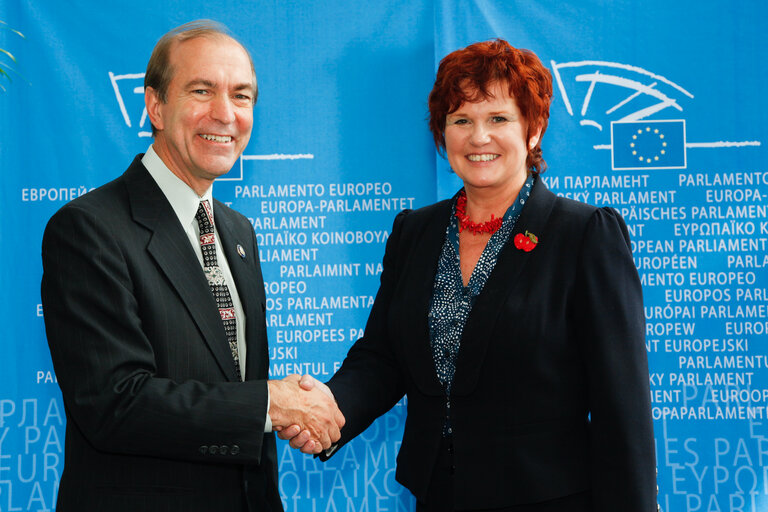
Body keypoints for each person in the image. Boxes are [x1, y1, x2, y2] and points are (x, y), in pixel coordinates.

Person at [290, 39, 656, 511]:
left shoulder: (584, 235)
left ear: (534, 128)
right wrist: (327, 409)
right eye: (461, 120)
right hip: (439, 495)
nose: (478, 137)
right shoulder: (415, 232)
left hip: (550, 498)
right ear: (442, 133)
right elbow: (383, 358)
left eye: (498, 119)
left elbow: (620, 404)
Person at [41, 20, 343, 512]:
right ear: (156, 105)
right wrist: (270, 404)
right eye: (202, 90)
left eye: (241, 96)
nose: (225, 114)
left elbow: (232, 390)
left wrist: (282, 413)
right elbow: (115, 404)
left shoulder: (237, 230)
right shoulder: (89, 229)